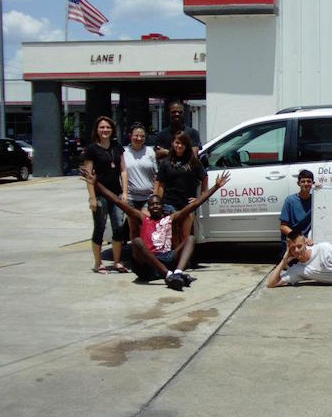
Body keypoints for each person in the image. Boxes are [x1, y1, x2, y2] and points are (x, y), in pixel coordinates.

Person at [80, 167, 230, 291]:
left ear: (162, 205)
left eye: (158, 203)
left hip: (167, 258)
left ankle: (177, 272)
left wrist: (215, 187)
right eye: (151, 204)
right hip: (148, 264)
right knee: (137, 242)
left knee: (190, 239)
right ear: (149, 208)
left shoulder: (170, 218)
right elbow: (118, 201)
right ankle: (168, 276)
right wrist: (96, 184)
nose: (155, 206)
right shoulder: (143, 218)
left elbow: (193, 205)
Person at [82, 116, 128, 274]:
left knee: (119, 228)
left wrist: (125, 192)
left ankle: (117, 262)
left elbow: (123, 170)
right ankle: (98, 263)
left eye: (107, 127)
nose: (105, 130)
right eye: (102, 127)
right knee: (99, 228)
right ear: (97, 130)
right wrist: (93, 198)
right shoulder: (91, 149)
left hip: (116, 195)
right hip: (100, 195)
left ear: (112, 130)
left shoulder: (117, 147)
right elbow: (88, 176)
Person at [155, 132, 208, 242]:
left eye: (182, 144)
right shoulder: (165, 163)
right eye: (177, 143)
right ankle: (175, 258)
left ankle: (185, 258)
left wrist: (201, 196)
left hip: (187, 205)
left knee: (185, 235)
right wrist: (159, 202)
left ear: (186, 145)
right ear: (173, 143)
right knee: (173, 236)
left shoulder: (193, 161)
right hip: (169, 204)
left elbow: (204, 177)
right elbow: (160, 185)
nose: (179, 146)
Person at [122, 122, 157, 239]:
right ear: (130, 136)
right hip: (131, 198)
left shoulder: (150, 152)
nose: (139, 138)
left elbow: (157, 175)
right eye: (136, 135)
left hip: (148, 197)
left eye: (142, 136)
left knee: (146, 228)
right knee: (133, 230)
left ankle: (146, 255)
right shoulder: (124, 153)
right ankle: (135, 254)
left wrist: (156, 195)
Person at [279, 169, 315, 253]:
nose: (306, 184)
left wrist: (321, 189)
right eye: (303, 181)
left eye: (309, 181)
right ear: (298, 183)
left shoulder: (316, 199)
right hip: (294, 239)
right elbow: (283, 227)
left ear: (313, 183)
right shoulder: (290, 200)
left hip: (310, 240)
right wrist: (301, 238)